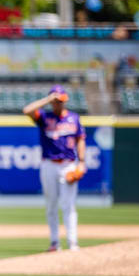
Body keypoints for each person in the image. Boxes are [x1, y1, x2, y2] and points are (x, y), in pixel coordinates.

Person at [23, 85, 86, 252]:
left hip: (68, 164)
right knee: (51, 205)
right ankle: (54, 242)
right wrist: (47, 100)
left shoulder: (73, 118)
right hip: (48, 165)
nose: (60, 104)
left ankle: (73, 242)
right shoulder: (44, 117)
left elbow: (80, 139)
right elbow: (26, 110)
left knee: (68, 204)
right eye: (57, 101)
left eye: (61, 101)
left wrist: (82, 162)